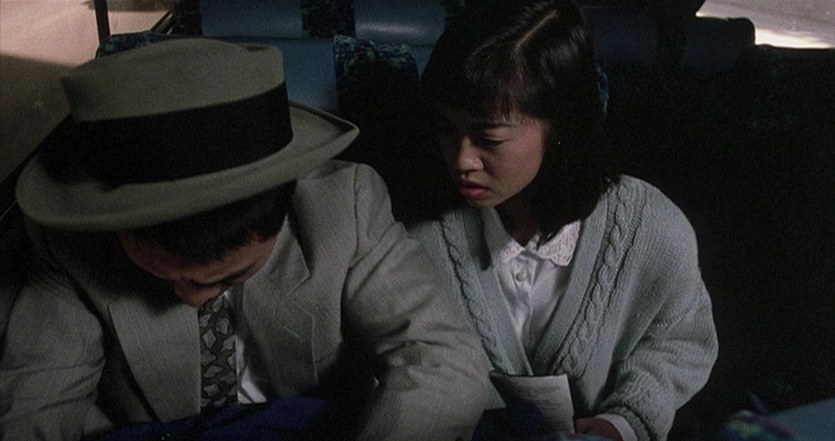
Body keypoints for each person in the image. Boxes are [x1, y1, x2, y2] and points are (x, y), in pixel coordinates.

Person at [0, 38, 489, 440]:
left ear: (284, 208)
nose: (191, 299)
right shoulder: (69, 244)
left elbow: (440, 357)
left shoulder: (346, 206)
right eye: (161, 275)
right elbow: (37, 410)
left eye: (227, 278)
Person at [408, 1, 718, 440]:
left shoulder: (650, 227)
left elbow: (679, 342)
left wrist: (625, 421)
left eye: (488, 138)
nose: (461, 160)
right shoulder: (416, 234)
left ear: (559, 127)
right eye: (446, 130)